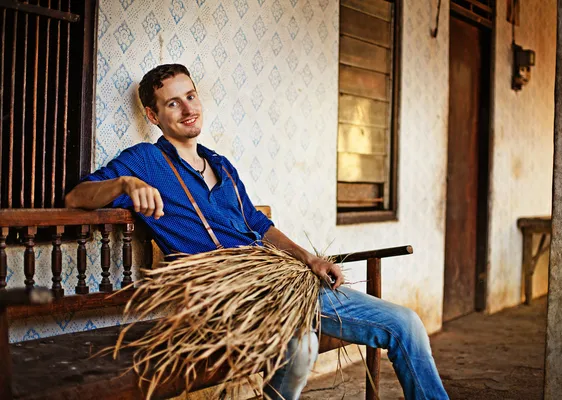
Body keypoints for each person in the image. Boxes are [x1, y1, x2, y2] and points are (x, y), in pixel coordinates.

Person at [65, 64, 448, 400]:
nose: (187, 109)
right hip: (226, 295)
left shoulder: (222, 165)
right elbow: (75, 197)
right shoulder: (145, 161)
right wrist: (125, 185)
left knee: (406, 323)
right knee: (302, 346)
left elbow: (258, 225)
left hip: (280, 280)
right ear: (153, 115)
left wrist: (308, 258)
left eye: (191, 96)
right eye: (172, 103)